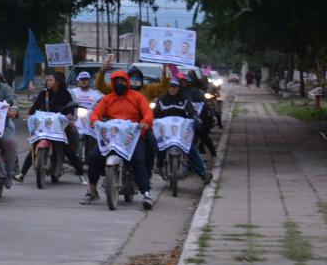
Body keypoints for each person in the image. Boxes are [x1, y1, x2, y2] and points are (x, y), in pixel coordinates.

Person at [81, 70, 155, 209]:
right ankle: (91, 191)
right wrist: (95, 120)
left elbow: (148, 112)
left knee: (138, 159)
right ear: (113, 83)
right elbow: (97, 112)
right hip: (112, 136)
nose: (120, 84)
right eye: (117, 81)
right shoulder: (107, 98)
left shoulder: (137, 97)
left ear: (127, 82)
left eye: (122, 81)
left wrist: (145, 122)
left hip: (131, 136)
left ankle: (146, 193)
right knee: (94, 156)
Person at [14, 72, 86, 184]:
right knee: (34, 145)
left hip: (60, 126)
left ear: (57, 82)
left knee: (67, 149)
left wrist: (70, 116)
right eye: (47, 80)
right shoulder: (44, 93)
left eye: (51, 80)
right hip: (44, 125)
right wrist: (30, 114)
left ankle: (81, 174)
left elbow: (70, 108)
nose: (48, 82)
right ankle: (22, 174)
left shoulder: (65, 94)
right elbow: (36, 106)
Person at [153, 78, 212, 184]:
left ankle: (203, 173)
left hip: (180, 132)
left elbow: (192, 111)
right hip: (166, 132)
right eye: (171, 86)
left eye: (175, 87)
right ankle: (159, 165)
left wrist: (195, 118)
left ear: (178, 88)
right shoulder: (161, 99)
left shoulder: (185, 99)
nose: (173, 89)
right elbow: (155, 114)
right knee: (159, 147)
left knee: (191, 149)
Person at [181, 72, 217, 158]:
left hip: (195, 119)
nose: (184, 83)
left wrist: (198, 118)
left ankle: (213, 154)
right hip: (182, 121)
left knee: (203, 134)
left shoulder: (197, 92)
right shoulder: (179, 92)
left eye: (185, 81)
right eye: (182, 81)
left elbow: (203, 105)